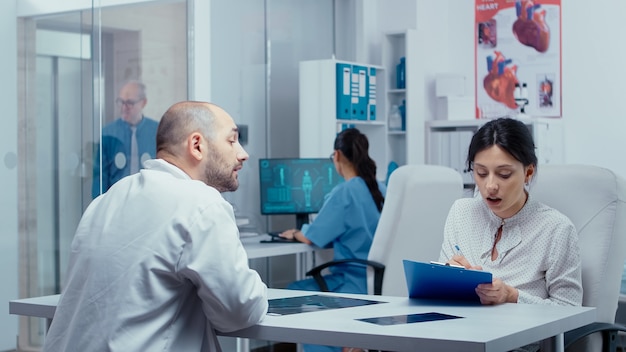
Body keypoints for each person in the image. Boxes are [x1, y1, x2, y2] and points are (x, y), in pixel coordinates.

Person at [43, 101, 268, 352]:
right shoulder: (202, 203)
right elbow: (239, 311)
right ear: (196, 145)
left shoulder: (108, 199)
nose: (242, 153)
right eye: (232, 140)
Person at [439, 117, 582, 304]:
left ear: (528, 173)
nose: (490, 186)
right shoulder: (461, 212)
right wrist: (446, 279)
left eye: (504, 174)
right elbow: (439, 291)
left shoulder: (556, 230)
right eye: (481, 173)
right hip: (462, 329)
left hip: (524, 333)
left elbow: (570, 312)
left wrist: (512, 296)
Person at [279, 128, 386, 295]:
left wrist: (295, 233)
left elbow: (309, 238)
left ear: (337, 155)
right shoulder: (382, 189)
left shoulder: (345, 192)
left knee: (292, 290)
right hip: (379, 284)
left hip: (351, 283)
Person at [92, 80, 159, 198]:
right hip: (117, 200)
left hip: (150, 198)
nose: (124, 107)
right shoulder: (108, 133)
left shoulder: (156, 131)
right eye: (121, 102)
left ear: (143, 102)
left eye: (130, 103)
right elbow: (100, 176)